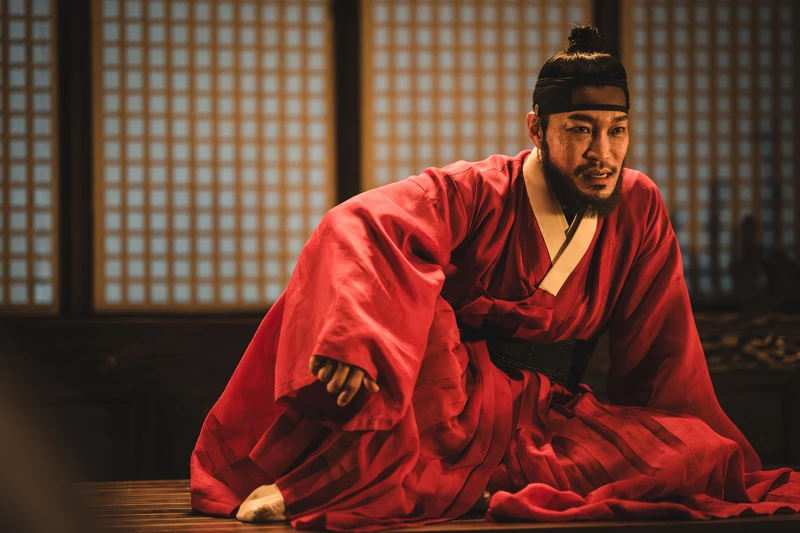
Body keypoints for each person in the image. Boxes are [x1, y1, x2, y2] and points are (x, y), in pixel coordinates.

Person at [190, 25, 800, 531]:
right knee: (421, 312)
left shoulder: (638, 205)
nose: (603, 152)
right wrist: (358, 336)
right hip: (448, 402)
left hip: (550, 413)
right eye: (580, 129)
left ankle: (461, 485)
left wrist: (659, 434)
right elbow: (359, 222)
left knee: (700, 454)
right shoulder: (475, 190)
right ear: (537, 130)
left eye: (616, 131)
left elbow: (663, 349)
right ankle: (337, 485)